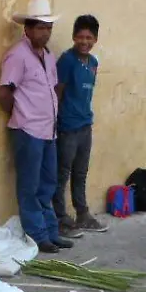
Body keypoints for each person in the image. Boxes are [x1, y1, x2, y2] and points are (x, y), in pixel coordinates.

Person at [0, 0, 71, 254]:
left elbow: (52, 89)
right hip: (27, 130)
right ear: (27, 29)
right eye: (40, 27)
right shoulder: (17, 55)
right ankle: (37, 235)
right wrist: (23, 115)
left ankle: (51, 231)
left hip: (48, 130)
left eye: (49, 27)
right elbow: (4, 92)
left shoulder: (48, 56)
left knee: (47, 183)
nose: (46, 32)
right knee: (29, 185)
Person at [54, 14, 108, 237]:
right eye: (80, 37)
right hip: (67, 126)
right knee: (61, 174)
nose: (84, 41)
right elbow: (57, 92)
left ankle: (82, 214)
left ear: (95, 39)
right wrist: (56, 122)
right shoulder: (66, 61)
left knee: (81, 172)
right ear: (74, 37)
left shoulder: (93, 63)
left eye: (89, 37)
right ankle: (60, 218)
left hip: (86, 125)